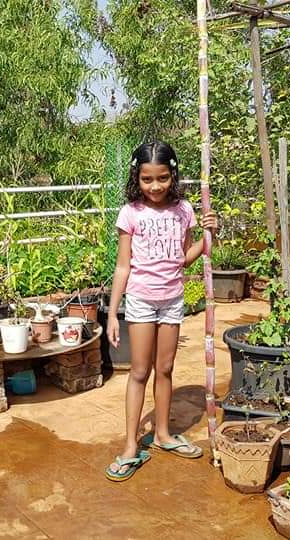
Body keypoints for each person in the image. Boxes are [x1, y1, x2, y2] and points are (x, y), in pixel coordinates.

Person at [105, 140, 217, 482]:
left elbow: (184, 258)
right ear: (136, 178)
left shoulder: (184, 211)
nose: (155, 186)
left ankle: (163, 434)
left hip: (172, 299)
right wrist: (112, 313)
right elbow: (122, 266)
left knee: (165, 369)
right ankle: (130, 444)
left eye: (162, 178)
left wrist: (210, 234)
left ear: (173, 175)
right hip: (141, 299)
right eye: (147, 179)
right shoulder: (131, 213)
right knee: (139, 371)